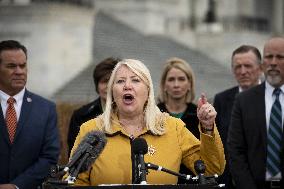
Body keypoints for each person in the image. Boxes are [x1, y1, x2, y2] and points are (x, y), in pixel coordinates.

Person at [69, 58, 225, 185]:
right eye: (120, 81)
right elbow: (74, 181)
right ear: (112, 92)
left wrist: (208, 127)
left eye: (136, 80)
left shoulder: (173, 127)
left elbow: (211, 169)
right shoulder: (91, 130)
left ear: (148, 90)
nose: (127, 86)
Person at [0, 40, 60, 189]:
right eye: (11, 66)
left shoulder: (46, 109)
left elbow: (50, 158)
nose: (19, 71)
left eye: (23, 65)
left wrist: (16, 186)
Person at [227, 37, 284, 189]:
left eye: (279, 57)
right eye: (268, 57)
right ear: (262, 63)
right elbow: (235, 150)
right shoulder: (244, 101)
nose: (273, 62)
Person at [213, 45, 262, 188]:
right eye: (237, 67)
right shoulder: (221, 100)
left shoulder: (275, 99)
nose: (243, 71)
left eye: (248, 66)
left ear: (261, 68)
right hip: (231, 181)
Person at [157, 57, 199, 183]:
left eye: (181, 79)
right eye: (171, 79)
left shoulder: (200, 115)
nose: (176, 85)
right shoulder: (153, 114)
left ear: (190, 84)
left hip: (192, 180)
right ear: (164, 85)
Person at [67, 57, 120, 156]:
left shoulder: (130, 113)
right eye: (104, 81)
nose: (108, 86)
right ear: (97, 85)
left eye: (112, 81)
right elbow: (74, 155)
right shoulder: (81, 116)